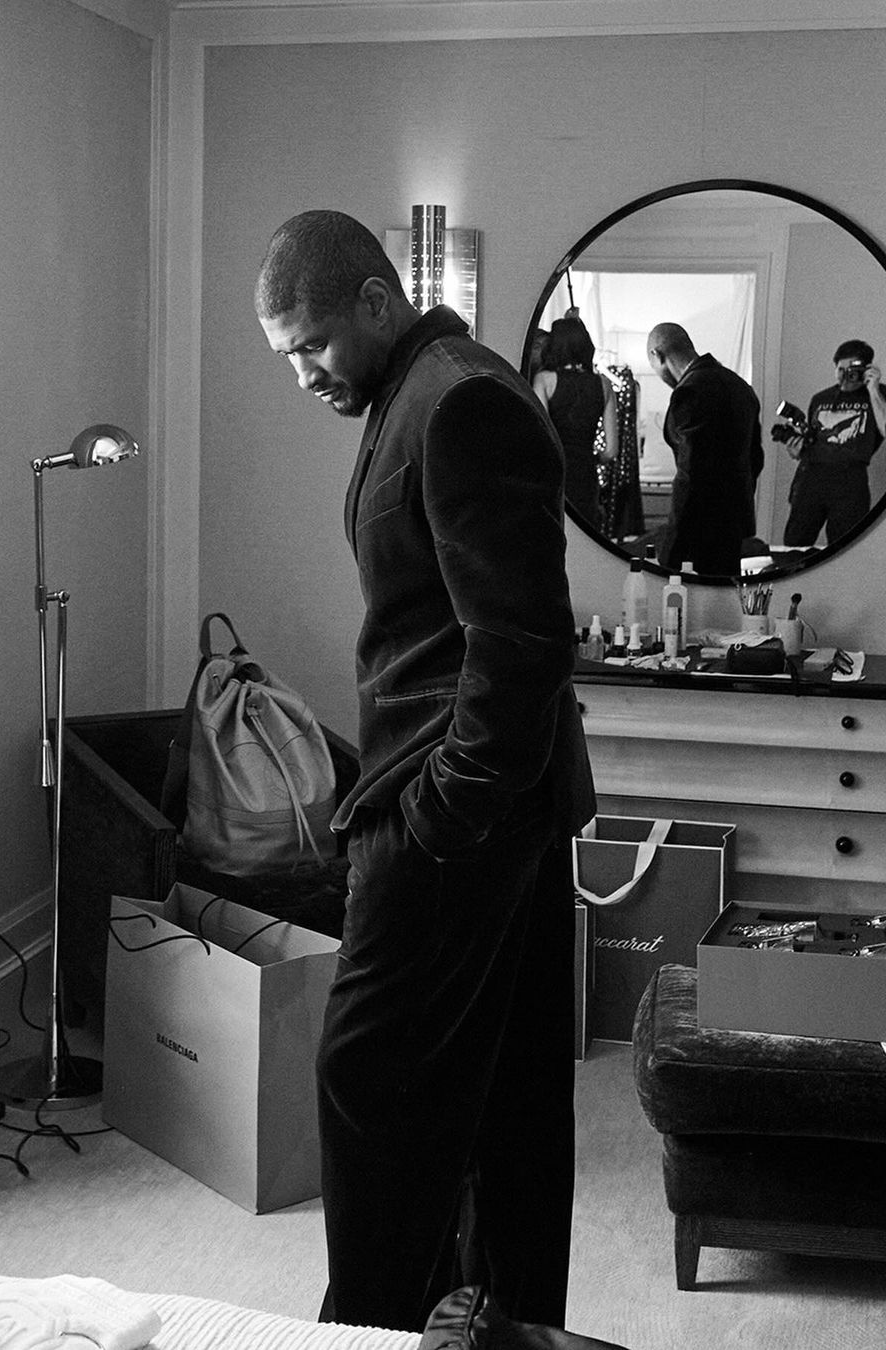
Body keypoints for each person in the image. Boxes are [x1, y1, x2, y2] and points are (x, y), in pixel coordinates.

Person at [255, 211, 595, 1335]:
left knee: (371, 1087)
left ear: (373, 299)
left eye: (310, 345)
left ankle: (370, 1328)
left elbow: (522, 640)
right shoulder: (416, 389)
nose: (302, 374)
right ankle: (505, 1324)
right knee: (510, 1095)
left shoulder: (460, 400)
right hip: (492, 801)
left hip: (458, 813)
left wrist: (441, 817)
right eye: (285, 357)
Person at [646, 322, 763, 576]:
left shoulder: (690, 391)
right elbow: (756, 459)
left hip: (697, 530)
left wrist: (672, 545)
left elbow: (691, 473)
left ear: (658, 355)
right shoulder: (741, 387)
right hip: (734, 525)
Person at [779, 339, 886, 546]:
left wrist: (873, 389)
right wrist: (798, 451)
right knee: (795, 543)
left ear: (866, 369)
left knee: (845, 547)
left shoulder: (879, 395)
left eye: (852, 369)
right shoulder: (821, 398)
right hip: (811, 477)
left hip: (850, 480)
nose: (845, 376)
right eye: (840, 369)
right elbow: (813, 439)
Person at [532, 316, 618, 530]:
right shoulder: (603, 384)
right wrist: (593, 457)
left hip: (555, 472)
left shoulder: (544, 380)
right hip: (586, 473)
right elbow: (611, 451)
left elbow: (540, 436)